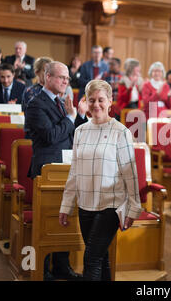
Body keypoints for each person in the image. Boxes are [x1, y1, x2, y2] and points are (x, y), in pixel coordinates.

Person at [59, 80, 142, 281]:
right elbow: (74, 172)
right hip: (85, 203)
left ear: (110, 101)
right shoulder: (80, 131)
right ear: (86, 102)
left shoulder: (121, 131)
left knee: (91, 258)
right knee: (100, 256)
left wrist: (133, 208)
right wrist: (66, 205)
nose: (96, 105)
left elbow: (130, 173)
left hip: (111, 205)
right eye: (92, 100)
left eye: (101, 100)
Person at [25, 61, 86, 281]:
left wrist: (78, 115)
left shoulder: (61, 103)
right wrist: (70, 118)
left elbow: (70, 134)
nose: (65, 82)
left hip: (66, 167)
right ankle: (42, 270)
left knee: (65, 218)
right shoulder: (36, 104)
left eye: (68, 79)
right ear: (47, 77)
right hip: (46, 169)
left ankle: (62, 266)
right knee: (46, 219)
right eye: (61, 77)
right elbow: (50, 136)